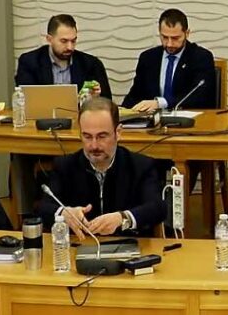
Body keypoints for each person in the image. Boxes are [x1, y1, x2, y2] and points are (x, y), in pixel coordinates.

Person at [35, 97, 165, 238]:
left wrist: (123, 218)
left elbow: (157, 208)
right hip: (81, 244)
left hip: (128, 245)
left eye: (102, 136)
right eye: (87, 136)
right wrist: (63, 214)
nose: (94, 145)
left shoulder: (141, 166)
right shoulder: (65, 166)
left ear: (118, 133)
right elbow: (43, 207)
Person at [123, 8, 216, 112]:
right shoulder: (148, 58)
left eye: (175, 38)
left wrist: (161, 103)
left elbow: (200, 96)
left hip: (189, 119)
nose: (169, 44)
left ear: (187, 33)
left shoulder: (201, 57)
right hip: (152, 120)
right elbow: (135, 95)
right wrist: (120, 113)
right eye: (165, 37)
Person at [14, 14, 112, 98]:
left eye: (73, 41)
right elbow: (25, 100)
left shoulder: (91, 64)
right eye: (64, 41)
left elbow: (107, 102)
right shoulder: (30, 62)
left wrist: (95, 98)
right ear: (49, 39)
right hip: (42, 114)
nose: (70, 47)